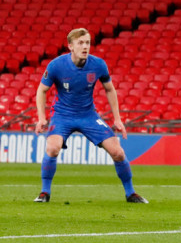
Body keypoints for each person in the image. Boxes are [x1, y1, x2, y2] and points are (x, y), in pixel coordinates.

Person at [33, 28, 147, 204]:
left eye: (87, 43)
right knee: (53, 148)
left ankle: (131, 193)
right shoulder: (56, 65)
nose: (85, 47)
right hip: (62, 115)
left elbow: (110, 89)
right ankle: (44, 192)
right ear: (70, 46)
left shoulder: (98, 65)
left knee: (117, 152)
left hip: (88, 115)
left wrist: (117, 119)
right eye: (80, 43)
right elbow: (41, 90)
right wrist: (42, 117)